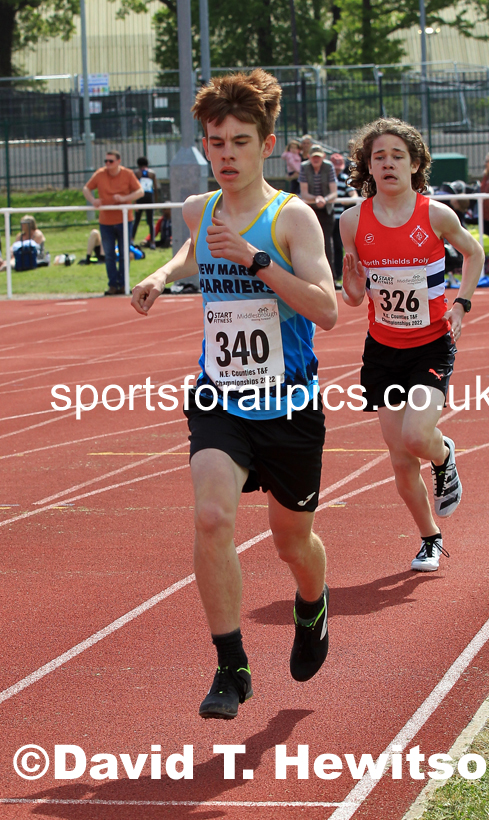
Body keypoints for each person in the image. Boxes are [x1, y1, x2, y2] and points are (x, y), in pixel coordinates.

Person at [131, 69, 337, 719]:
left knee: (291, 542)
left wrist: (254, 259)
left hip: (291, 405)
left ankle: (312, 606)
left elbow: (326, 309)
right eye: (215, 142)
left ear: (266, 146)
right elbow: (198, 248)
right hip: (220, 397)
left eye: (239, 142)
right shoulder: (201, 208)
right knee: (212, 516)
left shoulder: (293, 218)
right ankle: (232, 666)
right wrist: (162, 274)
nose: (225, 155)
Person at [340, 117, 484, 572]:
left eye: (397, 156)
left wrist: (460, 305)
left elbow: (474, 252)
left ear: (416, 163)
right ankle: (430, 538)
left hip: (430, 345)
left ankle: (444, 455)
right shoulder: (350, 221)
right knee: (400, 458)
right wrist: (353, 286)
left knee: (418, 435)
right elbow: (355, 296)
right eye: (378, 156)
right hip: (382, 349)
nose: (387, 164)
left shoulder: (436, 214)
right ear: (367, 165)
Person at [83, 150, 143, 295]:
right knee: (109, 255)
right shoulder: (100, 174)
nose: (108, 164)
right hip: (106, 221)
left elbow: (140, 192)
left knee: (124, 253)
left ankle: (123, 284)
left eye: (111, 161)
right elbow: (86, 188)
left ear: (118, 161)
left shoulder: (127, 174)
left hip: (124, 219)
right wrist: (93, 201)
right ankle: (112, 285)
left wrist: (124, 198)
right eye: (106, 161)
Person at [299, 145, 338, 284]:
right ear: (309, 157)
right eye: (313, 157)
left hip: (326, 210)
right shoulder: (304, 167)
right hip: (310, 209)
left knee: (327, 243)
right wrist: (315, 199)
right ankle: (312, 278)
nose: (316, 159)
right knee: (308, 244)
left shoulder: (329, 167)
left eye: (318, 157)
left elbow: (334, 192)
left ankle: (331, 278)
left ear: (323, 157)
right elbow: (304, 192)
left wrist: (324, 200)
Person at [330, 152, 358, 285]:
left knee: (338, 247)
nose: (336, 170)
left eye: (338, 167)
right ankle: (331, 276)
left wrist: (343, 201)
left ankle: (339, 275)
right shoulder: (327, 177)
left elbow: (353, 196)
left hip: (338, 218)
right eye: (334, 167)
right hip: (326, 218)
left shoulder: (345, 178)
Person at [133, 156, 159, 249]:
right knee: (150, 221)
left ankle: (132, 239)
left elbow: (135, 188)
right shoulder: (152, 173)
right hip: (149, 197)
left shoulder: (137, 173)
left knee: (137, 220)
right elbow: (155, 188)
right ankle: (152, 242)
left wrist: (135, 201)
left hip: (140, 197)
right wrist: (155, 201)